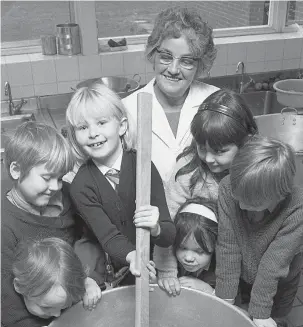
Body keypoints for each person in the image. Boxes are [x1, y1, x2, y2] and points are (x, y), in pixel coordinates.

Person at [65, 83, 176, 286]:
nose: (92, 133)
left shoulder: (143, 165)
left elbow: (168, 235)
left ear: (122, 126)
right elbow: (108, 237)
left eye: (101, 122)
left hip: (146, 270)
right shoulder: (81, 185)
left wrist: (157, 228)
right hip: (106, 276)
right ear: (75, 136)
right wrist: (133, 256)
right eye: (83, 127)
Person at [153, 89, 258, 295]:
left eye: (220, 151)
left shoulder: (254, 174)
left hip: (235, 268)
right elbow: (167, 224)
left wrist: (217, 289)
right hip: (195, 264)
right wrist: (166, 271)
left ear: (245, 142)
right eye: (202, 148)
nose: (209, 158)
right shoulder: (186, 173)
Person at [1, 122, 101, 327]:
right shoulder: (5, 227)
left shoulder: (67, 195)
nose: (55, 187)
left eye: (60, 178)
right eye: (47, 178)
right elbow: (8, 305)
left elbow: (89, 240)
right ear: (16, 170)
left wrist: (87, 280)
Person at [123, 7, 219, 184]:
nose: (174, 70)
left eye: (187, 61)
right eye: (166, 57)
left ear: (200, 65)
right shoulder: (126, 110)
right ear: (153, 54)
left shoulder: (216, 101)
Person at [215, 136, 303, 327]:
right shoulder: (227, 188)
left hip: (280, 283)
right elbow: (227, 246)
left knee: (274, 319)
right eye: (238, 196)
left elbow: (274, 263)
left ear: (279, 195)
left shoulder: (298, 208)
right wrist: (224, 299)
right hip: (243, 273)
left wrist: (261, 312)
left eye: (252, 203)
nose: (241, 205)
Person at [12, 237, 101, 321]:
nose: (57, 314)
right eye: (46, 307)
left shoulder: (66, 291)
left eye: (64, 307)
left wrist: (88, 285)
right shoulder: (9, 311)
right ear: (19, 286)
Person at [151, 197, 218, 295]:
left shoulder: (220, 271)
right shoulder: (167, 263)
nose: (188, 258)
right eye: (182, 248)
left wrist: (208, 290)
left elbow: (232, 305)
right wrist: (155, 282)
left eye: (199, 251)